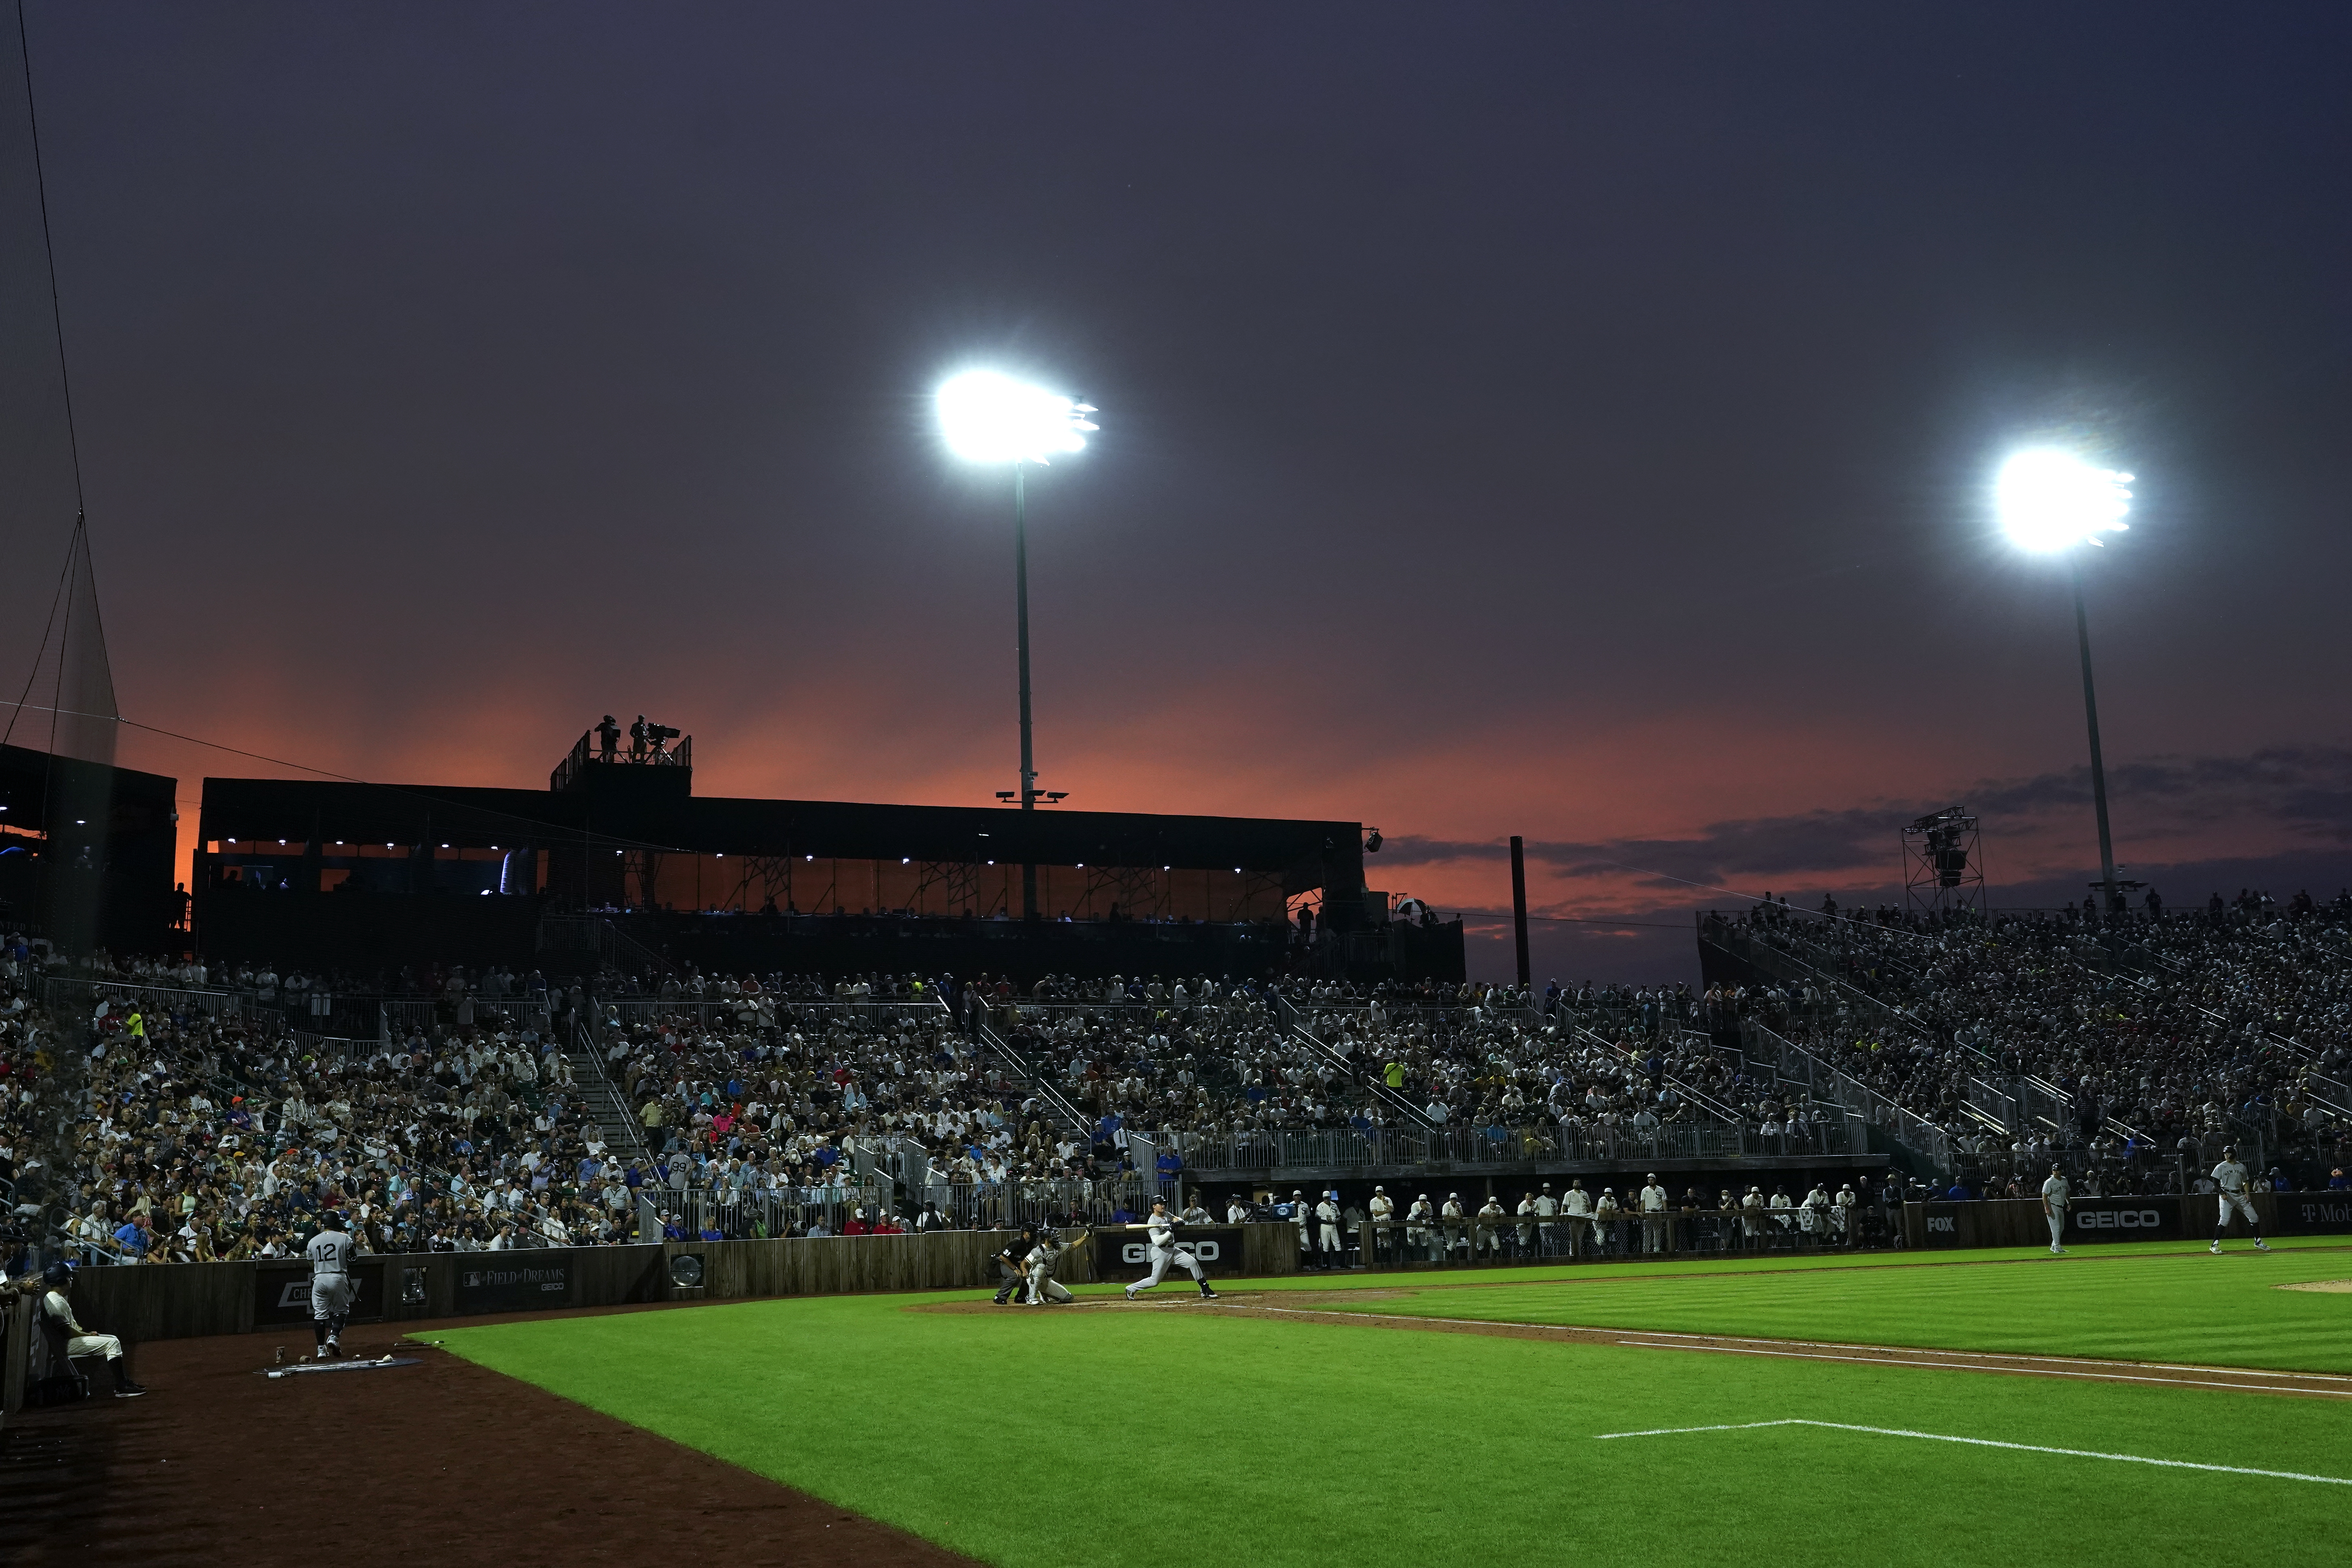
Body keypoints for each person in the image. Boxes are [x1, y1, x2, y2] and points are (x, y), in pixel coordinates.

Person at [38, 1262, 146, 1396]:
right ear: (61, 1280)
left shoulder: (54, 1297)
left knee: (113, 1339)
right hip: (66, 1345)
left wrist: (87, 1335)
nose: (71, 1279)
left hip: (64, 1342)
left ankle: (124, 1382)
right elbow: (68, 1332)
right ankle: (122, 1386)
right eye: (69, 1277)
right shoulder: (56, 1301)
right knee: (112, 1343)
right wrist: (88, 1335)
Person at [1123, 1198, 1217, 1300]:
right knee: (1154, 1281)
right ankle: (1131, 1288)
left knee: (1192, 1262)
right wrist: (1170, 1231)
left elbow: (1180, 1220)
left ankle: (1205, 1289)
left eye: (1164, 1204)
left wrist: (1179, 1223)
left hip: (1173, 1250)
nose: (1163, 1206)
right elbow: (1158, 1241)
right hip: (1160, 1252)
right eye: (1161, 1204)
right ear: (1154, 1206)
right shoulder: (1152, 1221)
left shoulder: (1167, 1215)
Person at [307, 1209, 362, 1358]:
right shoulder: (345, 1238)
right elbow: (353, 1260)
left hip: (319, 1279)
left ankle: (320, 1350)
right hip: (338, 1276)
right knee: (341, 1311)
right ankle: (333, 1337)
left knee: (320, 1315)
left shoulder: (313, 1241)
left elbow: (311, 1264)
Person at [2209, 1145, 2271, 1254]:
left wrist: (2248, 1194)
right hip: (2227, 1195)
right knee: (2225, 1220)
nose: (2226, 1155)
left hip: (2239, 1194)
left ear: (2233, 1154)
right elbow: (2215, 1182)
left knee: (2254, 1217)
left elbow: (2246, 1181)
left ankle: (2258, 1242)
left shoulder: (2241, 1167)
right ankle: (2214, 1245)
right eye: (2225, 1154)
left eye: (2227, 1153)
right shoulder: (2221, 1167)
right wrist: (2222, 1192)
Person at [1022, 1225, 1090, 1305]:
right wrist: (1024, 1270)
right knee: (1041, 1267)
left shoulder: (1057, 1248)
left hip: (1047, 1280)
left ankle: (1045, 1294)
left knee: (1068, 1298)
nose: (1056, 1238)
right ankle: (1031, 1297)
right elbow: (1024, 1262)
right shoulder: (1038, 1251)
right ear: (1047, 1239)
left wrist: (1086, 1236)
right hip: (1034, 1278)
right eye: (1053, 1236)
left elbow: (1073, 1246)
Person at [990, 1225, 1037, 1305]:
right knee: (1014, 1277)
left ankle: (1021, 1297)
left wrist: (1024, 1270)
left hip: (1016, 1263)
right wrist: (1015, 1269)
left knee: (1030, 1275)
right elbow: (1003, 1257)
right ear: (1026, 1233)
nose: (1035, 1234)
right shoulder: (1017, 1242)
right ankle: (1000, 1297)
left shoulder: (1030, 1244)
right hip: (1003, 1263)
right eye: (1032, 1232)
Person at [2040, 1163, 2070, 1255]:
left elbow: (2067, 1192)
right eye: (2054, 1170)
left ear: (2061, 1171)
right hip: (2053, 1205)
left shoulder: (2064, 1180)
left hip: (2061, 1206)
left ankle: (2054, 1246)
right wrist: (2047, 1208)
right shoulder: (2049, 1182)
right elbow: (2044, 1196)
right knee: (2056, 1228)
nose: (2055, 1172)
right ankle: (2057, 1248)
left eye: (2057, 1170)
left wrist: (2069, 1203)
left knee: (2061, 1228)